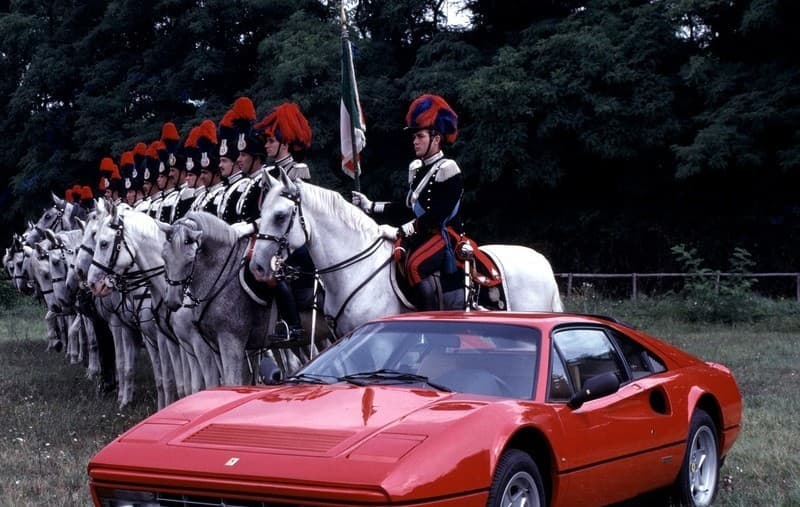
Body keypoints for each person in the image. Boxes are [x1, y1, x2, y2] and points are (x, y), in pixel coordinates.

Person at [351, 94, 464, 311]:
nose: (415, 141)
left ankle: (431, 321)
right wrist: (370, 205)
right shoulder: (417, 169)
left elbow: (436, 216)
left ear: (436, 138)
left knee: (414, 266)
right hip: (421, 232)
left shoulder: (448, 169)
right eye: (414, 137)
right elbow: (408, 207)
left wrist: (402, 230)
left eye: (420, 136)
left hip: (443, 234)